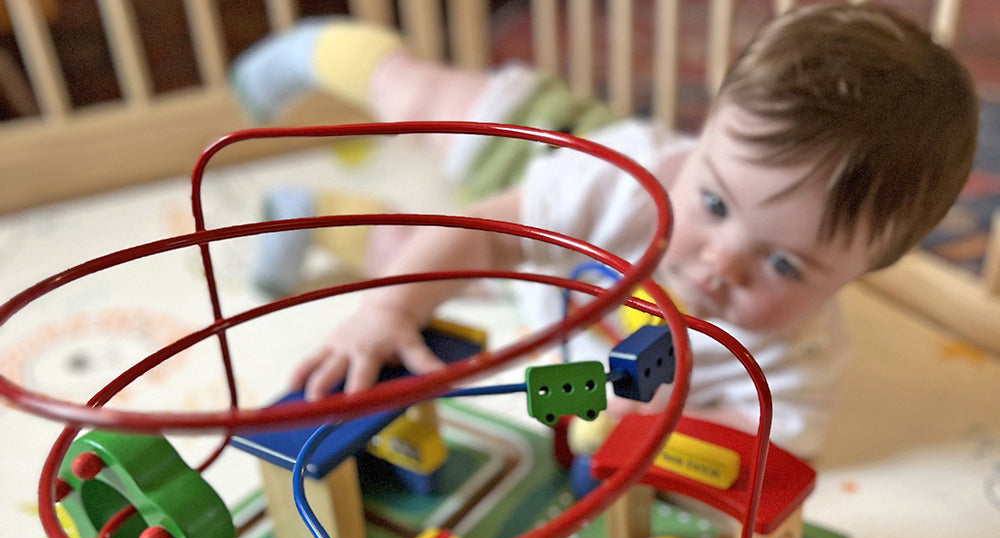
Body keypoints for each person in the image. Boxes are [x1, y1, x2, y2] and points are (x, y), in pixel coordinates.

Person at [231, 3, 978, 458]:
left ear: (859, 274)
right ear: (703, 133)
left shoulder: (796, 358)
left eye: (785, 266)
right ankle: (326, 50)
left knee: (405, 252)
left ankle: (316, 217)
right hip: (548, 153)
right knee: (427, 109)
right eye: (715, 206)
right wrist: (385, 312)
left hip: (550, 259)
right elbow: (482, 232)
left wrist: (664, 424)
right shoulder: (625, 183)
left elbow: (770, 433)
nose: (722, 264)